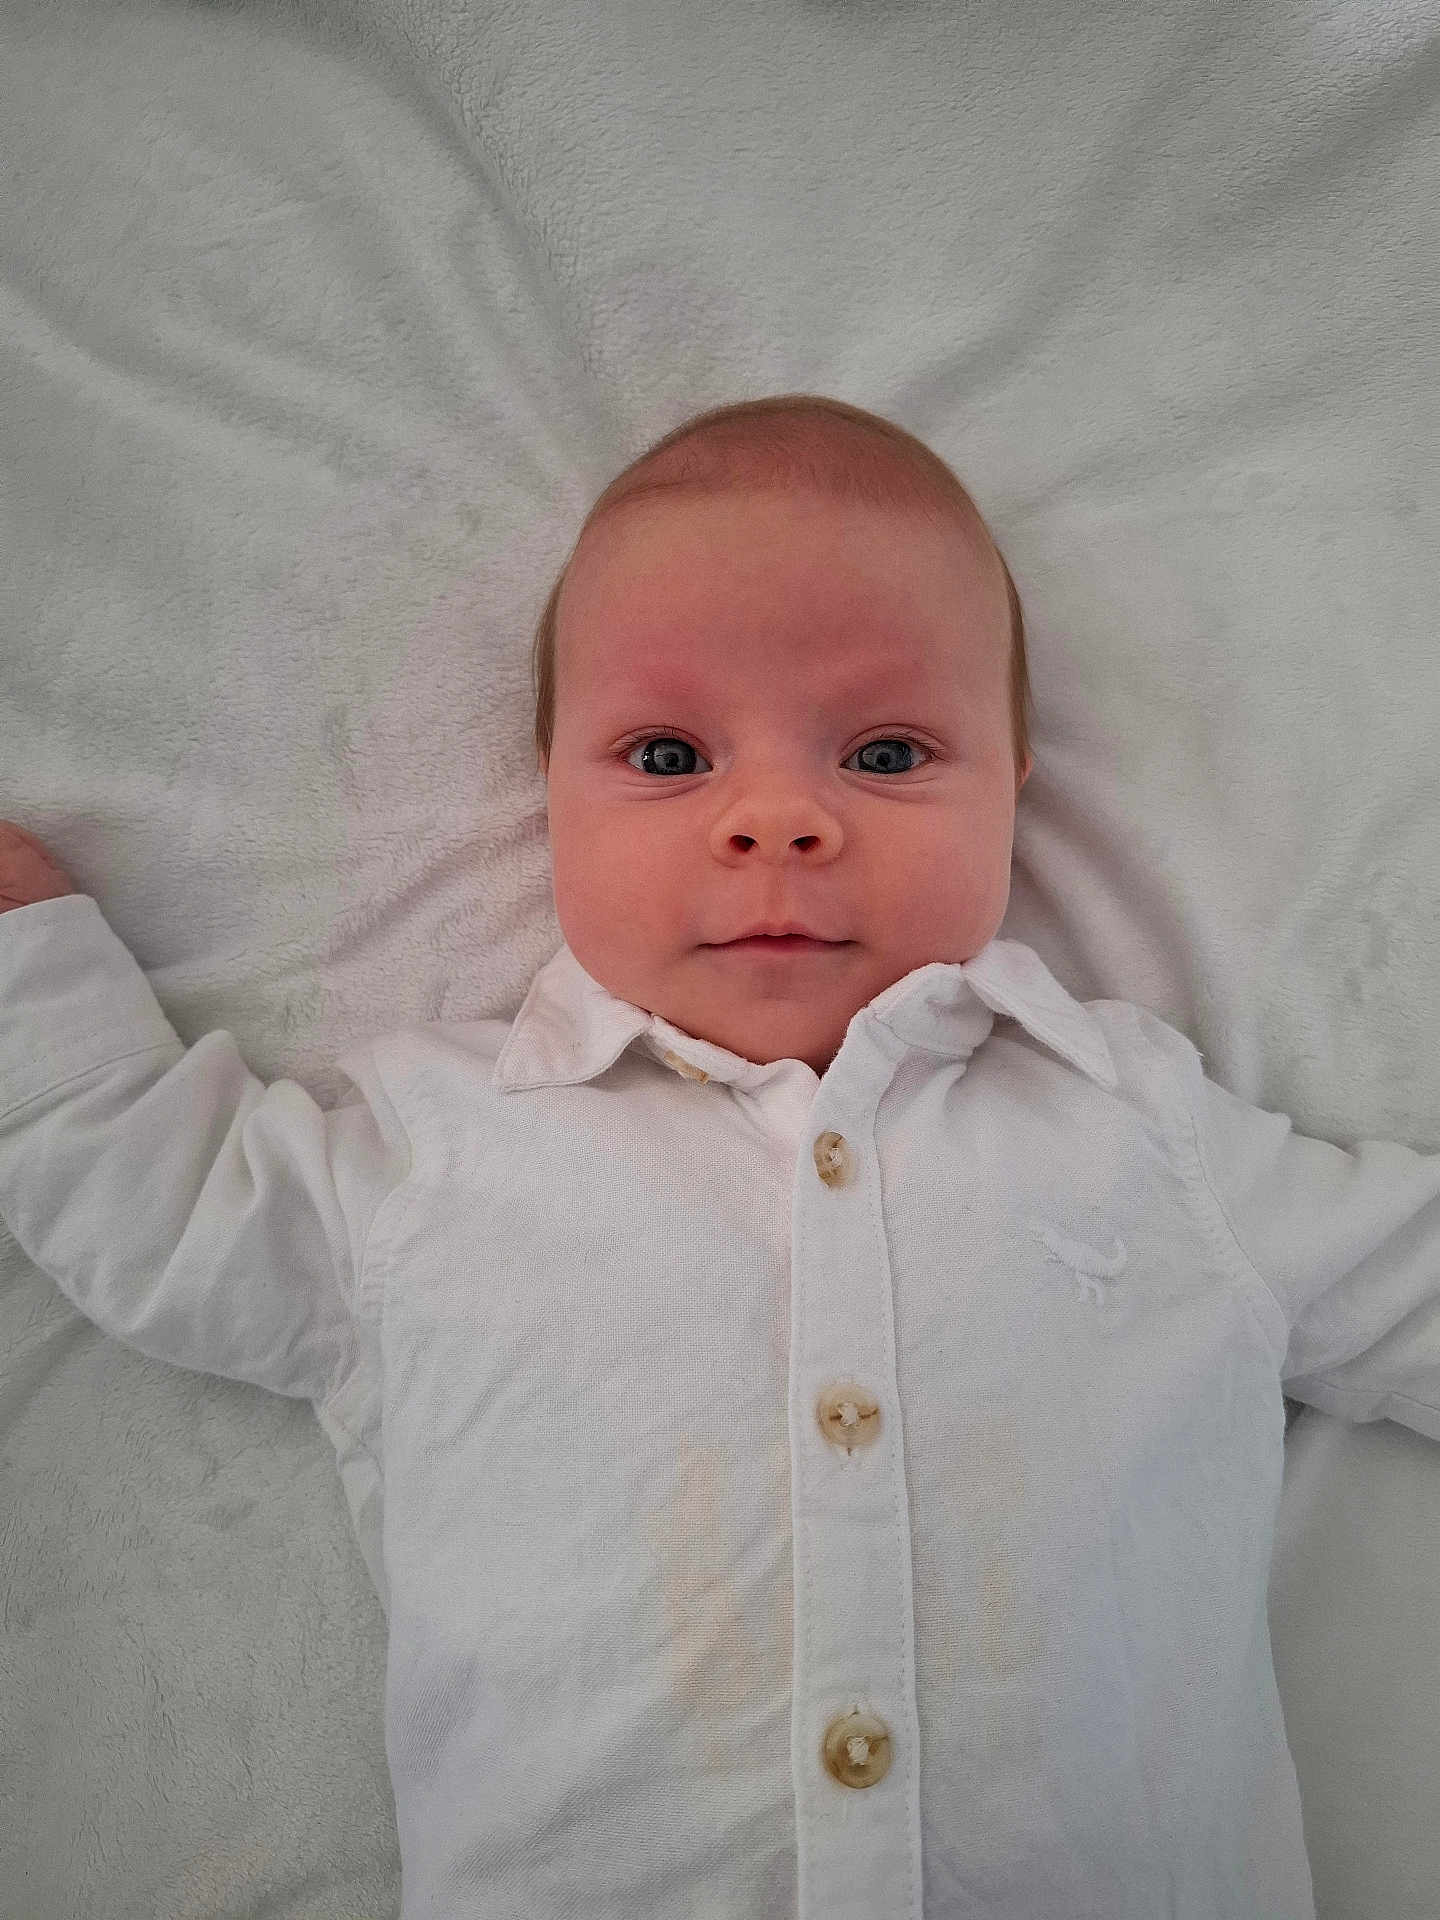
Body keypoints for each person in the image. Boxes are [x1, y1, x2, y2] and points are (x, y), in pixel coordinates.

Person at [2, 396, 1437, 1920]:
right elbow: (155, 1206)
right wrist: (27, 964)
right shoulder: (441, 1151)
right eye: (670, 753)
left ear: (1015, 782)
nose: (777, 819)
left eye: (886, 752)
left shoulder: (1136, 1125)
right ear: (546, 786)